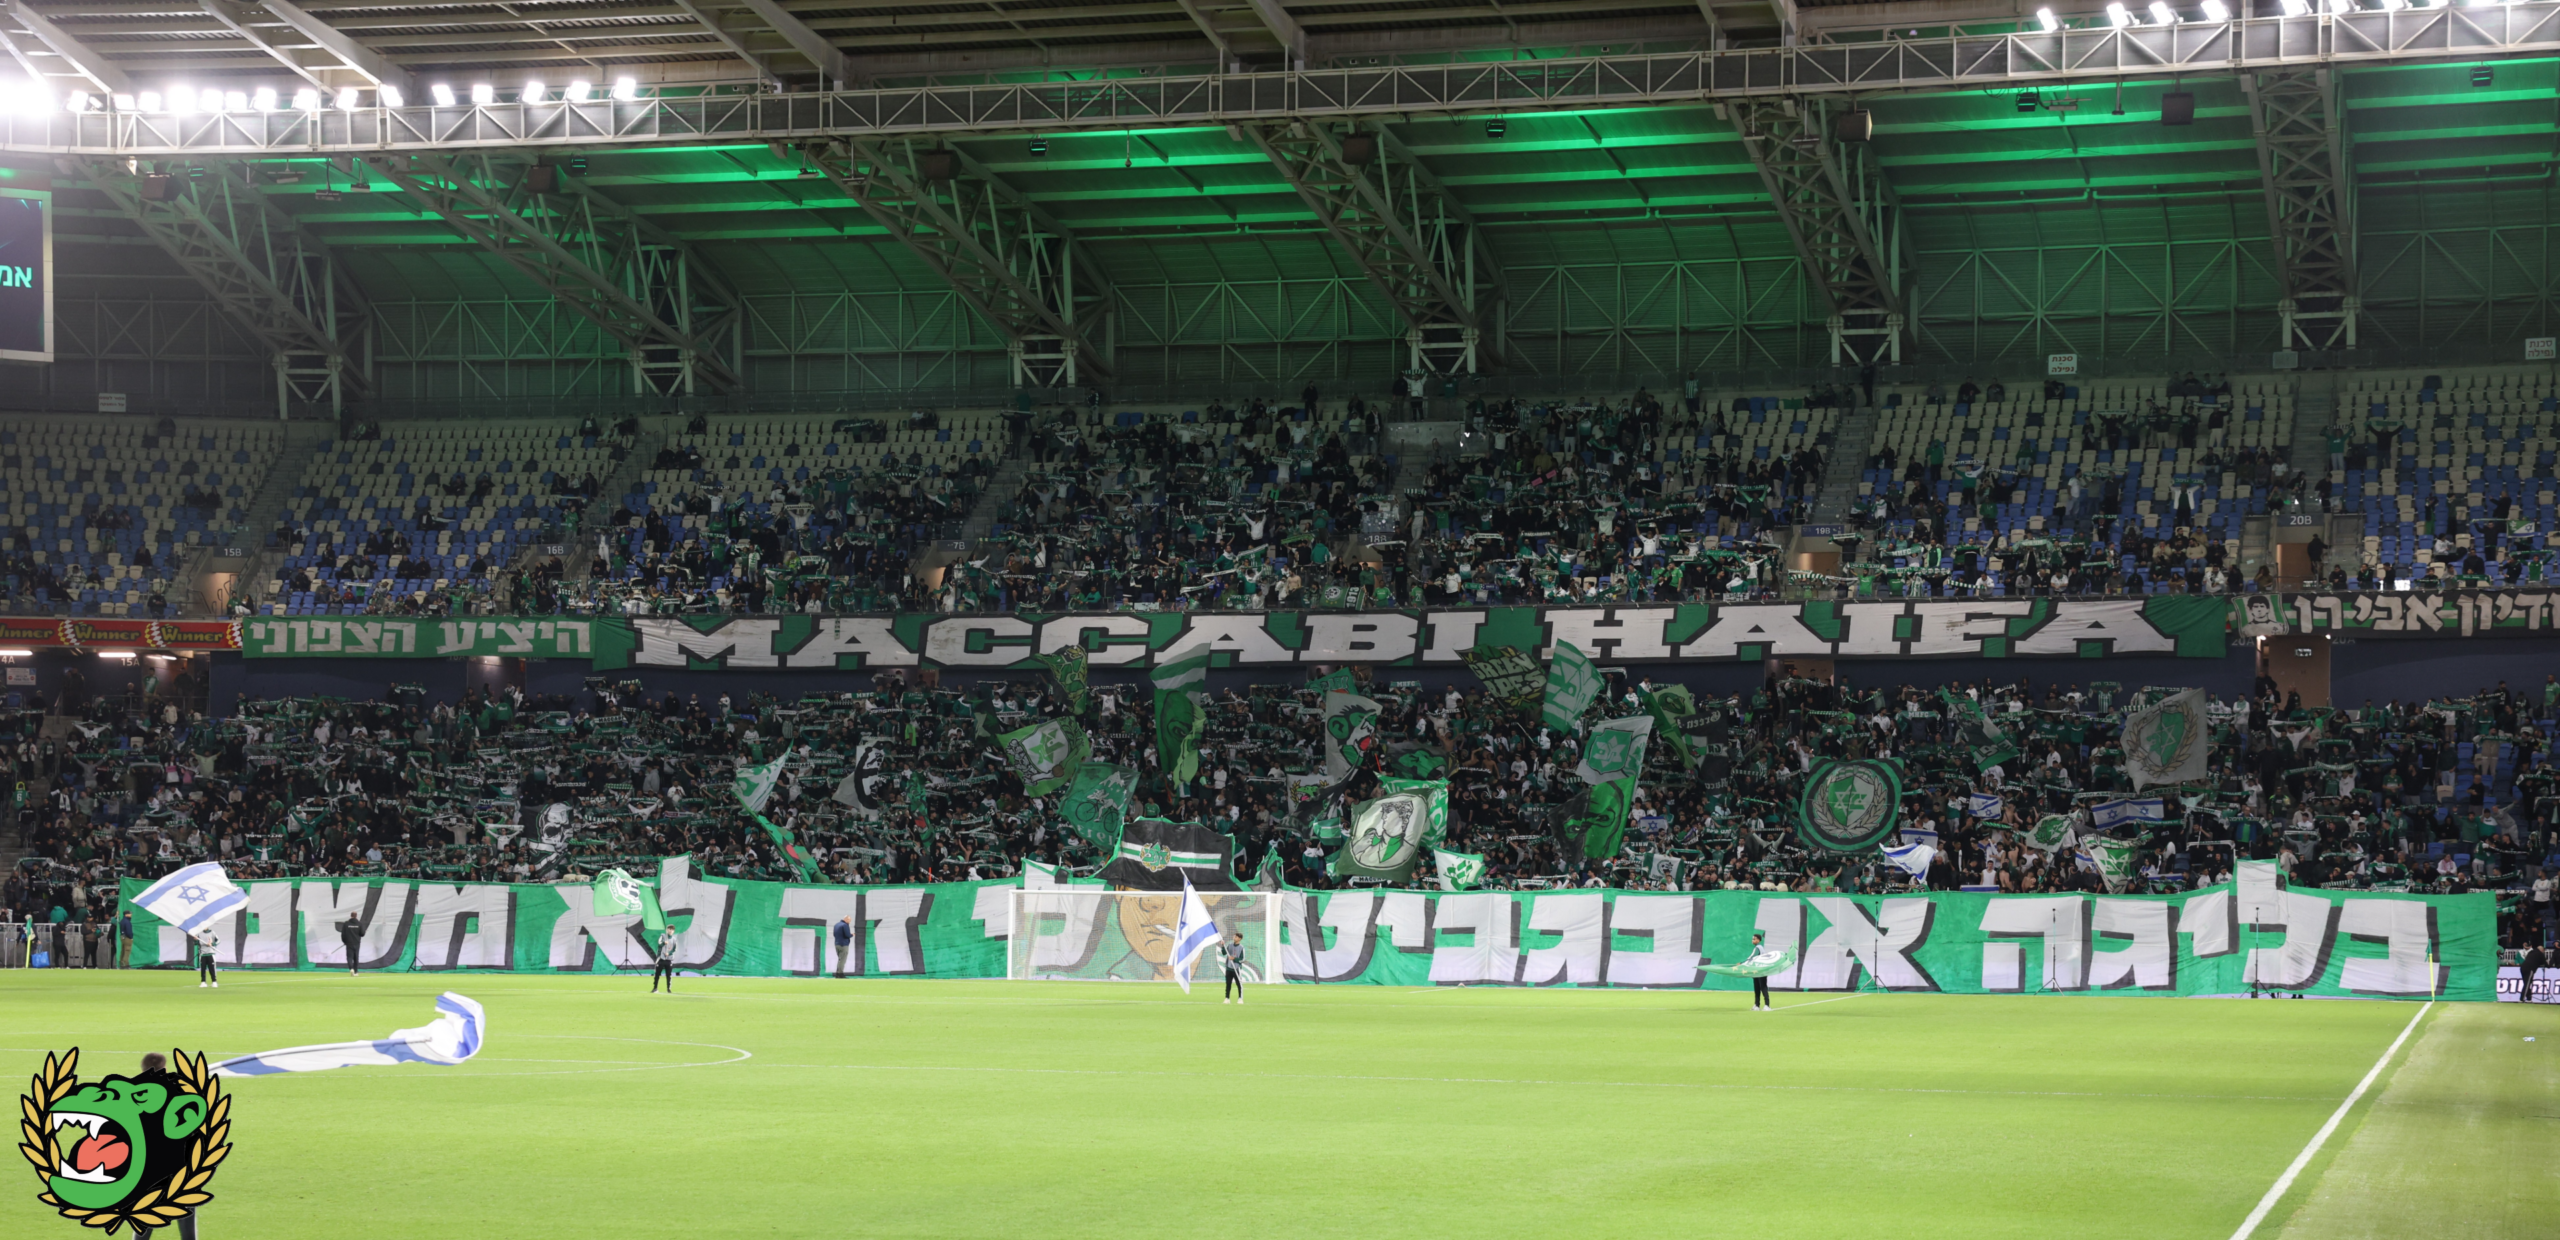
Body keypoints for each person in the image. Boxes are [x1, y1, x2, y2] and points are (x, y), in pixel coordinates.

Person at [1221, 930, 1247, 1005]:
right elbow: (1224, 953)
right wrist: (1223, 946)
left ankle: (1240, 998)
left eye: (1236, 937)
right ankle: (1227, 998)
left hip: (1236, 969)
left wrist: (1234, 959)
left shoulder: (1241, 948)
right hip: (1229, 968)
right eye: (1234, 936)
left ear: (1239, 938)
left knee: (1239, 984)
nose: (1234, 937)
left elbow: (1242, 959)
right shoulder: (1229, 945)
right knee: (1228, 984)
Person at [1749, 930, 1773, 1012]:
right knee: (1757, 988)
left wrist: (1742, 963)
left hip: (1761, 971)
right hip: (1756, 971)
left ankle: (1767, 1005)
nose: (1753, 940)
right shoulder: (1759, 948)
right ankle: (1757, 1005)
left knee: (1763, 987)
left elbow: (1751, 957)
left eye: (1754, 939)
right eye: (1752, 939)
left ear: (1758, 940)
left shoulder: (1758, 948)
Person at [650, 925, 677, 993]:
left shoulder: (674, 939)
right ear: (667, 930)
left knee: (668, 975)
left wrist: (669, 953)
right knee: (657, 974)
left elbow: (674, 949)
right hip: (661, 958)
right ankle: (655, 988)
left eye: (672, 930)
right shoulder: (663, 936)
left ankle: (668, 989)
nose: (670, 931)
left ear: (673, 931)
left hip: (669, 959)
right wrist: (663, 943)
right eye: (669, 929)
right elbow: (659, 943)